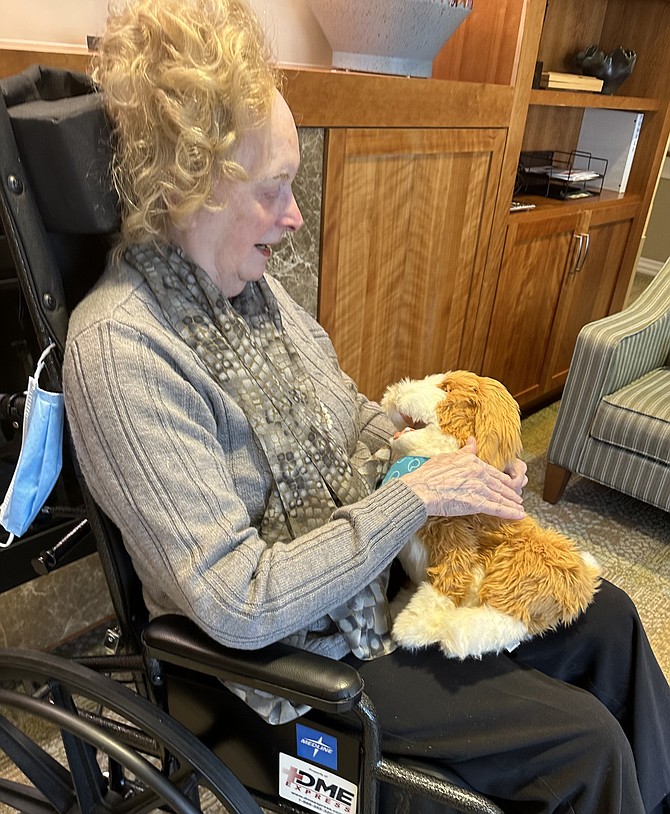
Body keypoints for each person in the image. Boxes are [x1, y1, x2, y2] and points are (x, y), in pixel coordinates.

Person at [62, 0, 670, 811]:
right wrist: (412, 497)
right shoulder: (121, 350)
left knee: (608, 621)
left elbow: (347, 415)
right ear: (193, 186)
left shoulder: (254, 291)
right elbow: (237, 600)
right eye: (277, 187)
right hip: (282, 671)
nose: (297, 214)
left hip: (366, 584)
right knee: (578, 745)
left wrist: (443, 450)